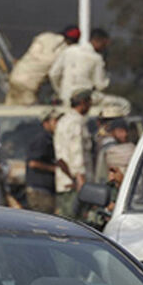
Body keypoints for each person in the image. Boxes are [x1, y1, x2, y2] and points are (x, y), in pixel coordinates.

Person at [49, 28, 130, 113]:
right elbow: (101, 85)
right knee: (124, 104)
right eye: (104, 44)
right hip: (86, 99)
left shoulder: (68, 51)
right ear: (99, 41)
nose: (104, 47)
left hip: (65, 97)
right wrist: (107, 77)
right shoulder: (96, 58)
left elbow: (53, 74)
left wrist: (61, 91)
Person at [5, 25, 79, 105]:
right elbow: (54, 74)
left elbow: (33, 54)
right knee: (25, 113)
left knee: (8, 109)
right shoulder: (66, 51)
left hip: (15, 76)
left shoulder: (45, 37)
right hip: (28, 84)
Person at [54, 89, 92, 218]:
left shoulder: (63, 120)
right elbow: (76, 151)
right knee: (78, 223)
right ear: (82, 103)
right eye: (89, 102)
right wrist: (80, 178)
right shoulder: (77, 122)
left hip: (64, 182)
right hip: (75, 184)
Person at [24, 110, 60, 213]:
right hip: (40, 191)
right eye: (55, 121)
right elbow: (33, 163)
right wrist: (54, 169)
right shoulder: (42, 139)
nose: (58, 124)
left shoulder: (51, 138)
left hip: (47, 190)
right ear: (46, 123)